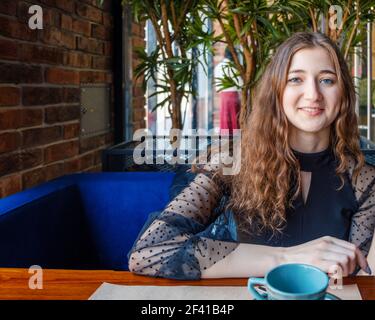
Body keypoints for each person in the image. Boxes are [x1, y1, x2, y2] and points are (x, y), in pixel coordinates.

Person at [128, 32, 375, 280]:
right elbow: (149, 252)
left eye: (327, 80)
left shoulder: (362, 177)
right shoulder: (231, 161)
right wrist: (287, 258)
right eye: (295, 79)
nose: (313, 94)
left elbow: (359, 276)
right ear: (276, 91)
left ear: (343, 92)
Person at [214, 47, 243, 132]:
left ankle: (225, 140)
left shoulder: (218, 67)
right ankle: (235, 140)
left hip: (223, 95)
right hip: (233, 95)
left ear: (224, 55)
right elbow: (240, 84)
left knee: (225, 118)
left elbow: (217, 86)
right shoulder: (234, 67)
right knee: (235, 117)